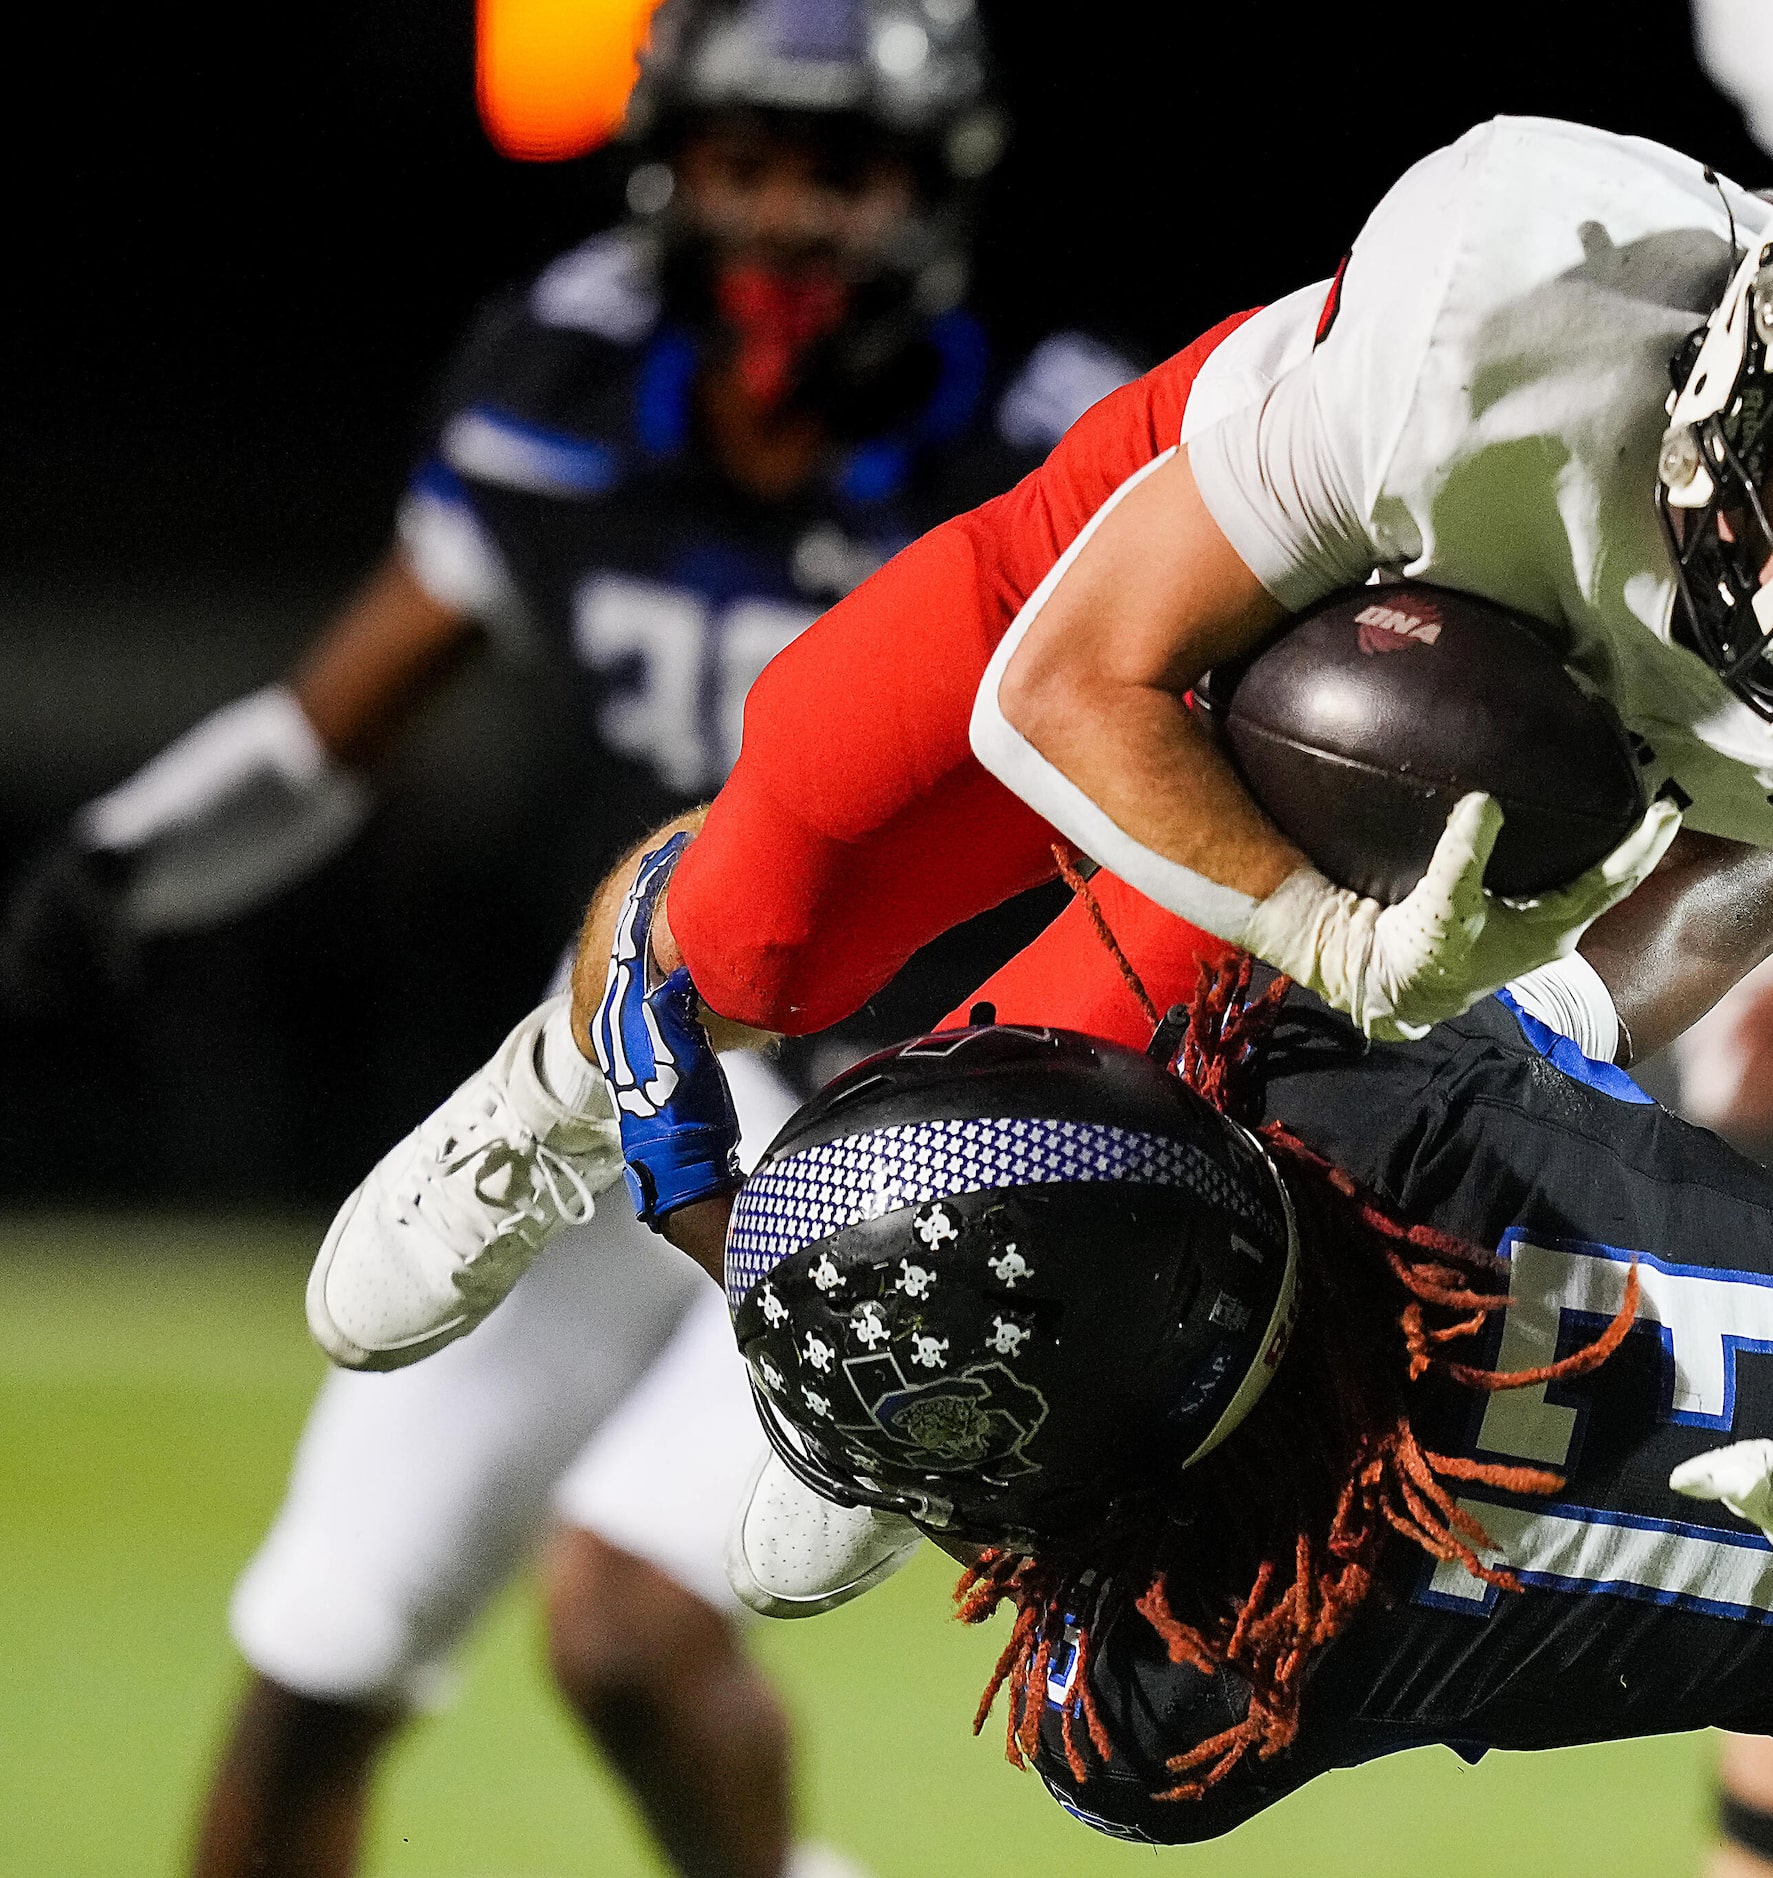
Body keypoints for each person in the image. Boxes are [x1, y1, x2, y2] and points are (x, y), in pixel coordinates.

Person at [306, 98, 1773, 1745]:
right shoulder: (1512, 302)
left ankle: (876, 1343)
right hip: (1226, 572)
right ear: (1770, 338)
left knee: (1029, 1146)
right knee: (773, 891)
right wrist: (1321, 929)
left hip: (1534, 814)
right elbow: (1065, 688)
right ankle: (549, 1087)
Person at [0, 4, 1129, 1873]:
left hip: (913, 1110)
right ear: (669, 164)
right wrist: (123, 858)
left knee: (625, 1620)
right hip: (628, 1059)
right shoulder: (570, 376)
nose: (783, 216)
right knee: (320, 1653)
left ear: (931, 190)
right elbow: (335, 723)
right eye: (746, 157)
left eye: (836, 168)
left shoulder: (1048, 433)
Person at [710, 862, 1773, 1875]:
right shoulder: (1350, 1092)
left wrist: (766, 1284)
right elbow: (1725, 889)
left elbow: (1030, 1553)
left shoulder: (1206, 1663)